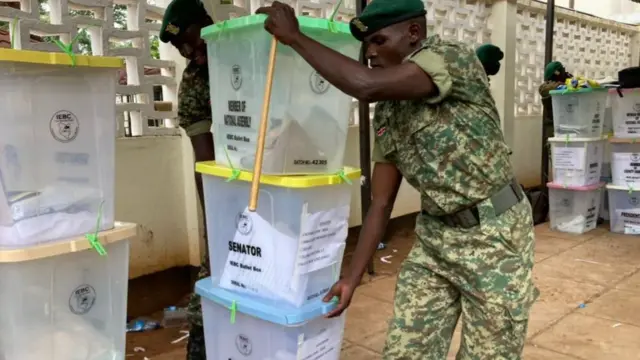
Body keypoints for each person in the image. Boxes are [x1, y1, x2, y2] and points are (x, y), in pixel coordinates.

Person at [256, 0, 537, 359]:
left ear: (413, 34)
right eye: (366, 45)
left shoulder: (451, 58)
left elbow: (364, 85)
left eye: (378, 41)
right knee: (405, 352)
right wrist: (352, 278)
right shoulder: (389, 111)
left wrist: (295, 37)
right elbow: (381, 202)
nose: (369, 52)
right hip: (436, 241)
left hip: (495, 237)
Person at [159, 0, 214, 359]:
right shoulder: (194, 79)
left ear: (206, 23)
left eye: (191, 39)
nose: (188, 52)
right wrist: (215, 211)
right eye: (180, 48)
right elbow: (203, 158)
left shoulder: (251, 54)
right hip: (227, 187)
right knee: (214, 276)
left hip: (280, 181)